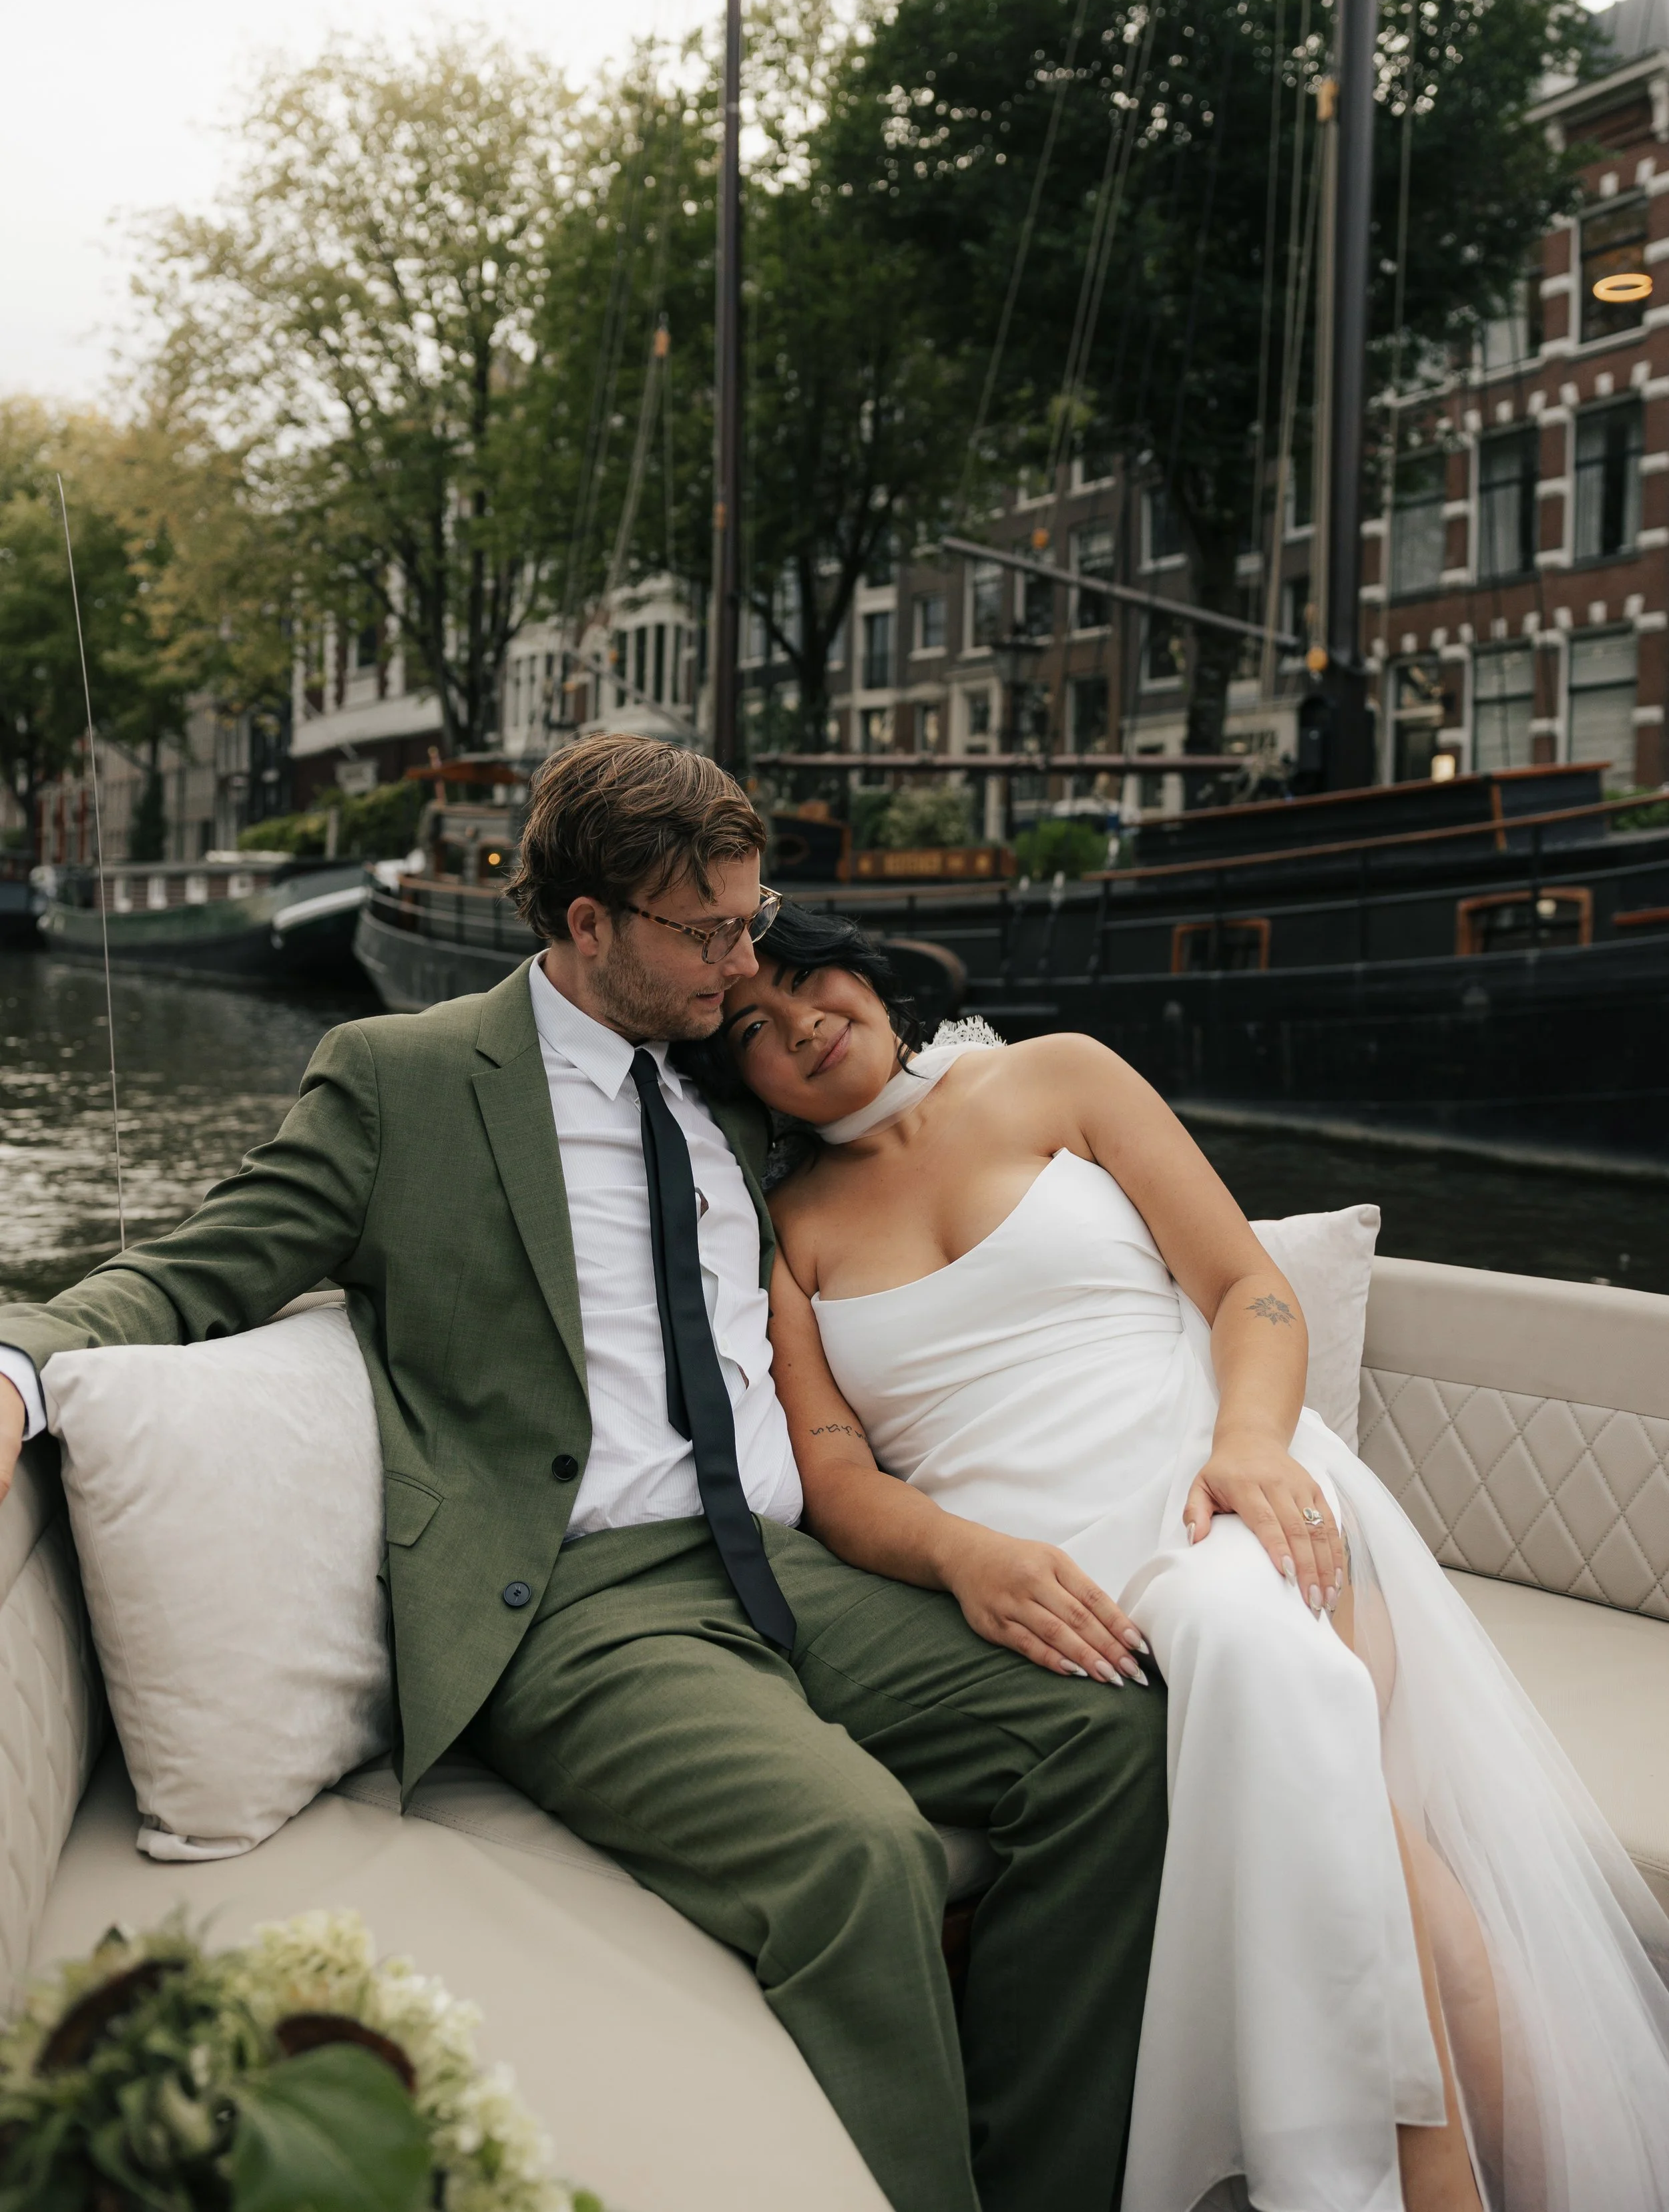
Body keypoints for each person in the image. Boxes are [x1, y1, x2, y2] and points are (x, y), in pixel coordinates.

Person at [0, 736, 1172, 2212]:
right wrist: (18, 1372)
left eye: (751, 920)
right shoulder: (403, 1081)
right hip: (577, 1600)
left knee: (1112, 1744)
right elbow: (193, 1269)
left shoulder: (728, 1094)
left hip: (793, 1566)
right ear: (584, 926)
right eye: (708, 933)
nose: (742, 962)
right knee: (858, 1855)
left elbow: (905, 1151)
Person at [710, 902, 1669, 2212]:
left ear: (864, 967)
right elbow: (832, 1481)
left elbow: (1246, 1290)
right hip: (1055, 1575)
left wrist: (1256, 1443)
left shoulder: (1057, 1076)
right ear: (737, 1078)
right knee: (1367, 1835)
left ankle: (1388, 2190)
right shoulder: (790, 1232)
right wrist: (962, 1559)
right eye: (751, 1030)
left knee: (1247, 1646)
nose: (800, 1023)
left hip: (1211, 1496)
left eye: (804, 977)